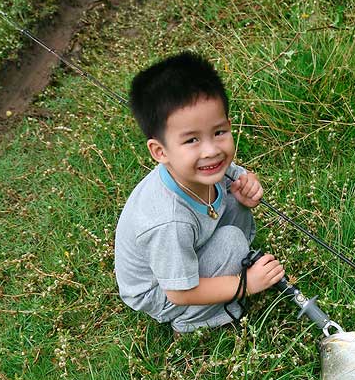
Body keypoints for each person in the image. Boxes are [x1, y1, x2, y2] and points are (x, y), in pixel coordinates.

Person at [115, 51, 285, 333]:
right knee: (231, 241)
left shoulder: (201, 170)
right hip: (162, 291)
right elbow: (179, 293)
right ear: (160, 152)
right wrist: (247, 284)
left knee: (232, 201)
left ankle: (229, 263)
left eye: (218, 132)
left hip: (183, 251)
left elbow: (237, 173)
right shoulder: (168, 221)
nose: (212, 150)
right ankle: (193, 320)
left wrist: (247, 186)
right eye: (192, 139)